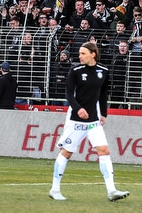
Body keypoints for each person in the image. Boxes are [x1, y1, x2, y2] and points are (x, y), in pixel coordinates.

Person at [49, 42, 128, 202]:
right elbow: (69, 94)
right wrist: (78, 109)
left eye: (83, 53)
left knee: (104, 151)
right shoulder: (75, 71)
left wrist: (104, 113)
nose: (80, 56)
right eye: (79, 53)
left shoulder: (103, 71)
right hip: (76, 119)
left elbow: (103, 93)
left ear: (93, 54)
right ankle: (54, 189)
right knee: (66, 153)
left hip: (93, 120)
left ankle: (111, 190)